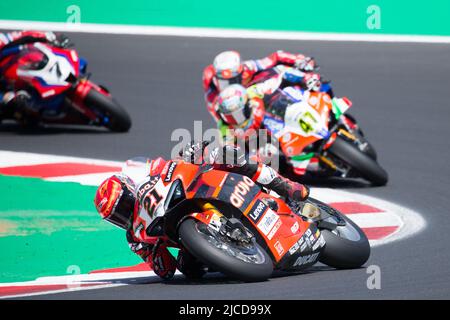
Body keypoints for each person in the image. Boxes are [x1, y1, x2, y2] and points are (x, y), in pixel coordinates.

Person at [94, 141, 310, 280]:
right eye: (115, 217)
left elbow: (169, 164)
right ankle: (236, 253)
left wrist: (189, 153)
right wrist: (154, 252)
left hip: (196, 191)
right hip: (187, 235)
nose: (122, 215)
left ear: (130, 188)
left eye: (121, 206)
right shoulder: (135, 237)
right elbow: (165, 271)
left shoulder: (149, 175)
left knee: (226, 154)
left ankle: (284, 185)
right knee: (189, 270)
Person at [202, 50, 318, 122]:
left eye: (232, 81)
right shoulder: (214, 96)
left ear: (240, 73)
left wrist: (299, 60)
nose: (228, 86)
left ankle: (310, 87)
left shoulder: (248, 68)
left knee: (280, 71)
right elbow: (221, 122)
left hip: (263, 93)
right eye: (223, 81)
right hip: (248, 115)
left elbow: (275, 57)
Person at [0, 30, 70, 123]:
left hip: (23, 61)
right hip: (9, 88)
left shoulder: (1, 41)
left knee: (50, 53)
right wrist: (7, 97)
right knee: (20, 111)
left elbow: (21, 35)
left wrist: (47, 36)